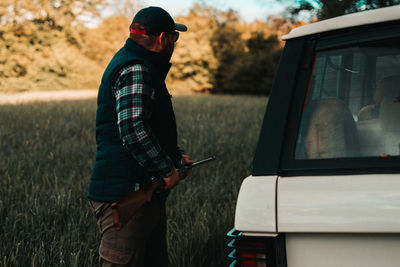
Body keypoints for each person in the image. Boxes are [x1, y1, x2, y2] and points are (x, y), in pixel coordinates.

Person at [87, 6, 193, 267]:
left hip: (141, 191)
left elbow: (148, 124)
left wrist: (175, 156)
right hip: (127, 195)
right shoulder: (137, 69)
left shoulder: (136, 64)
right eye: (174, 37)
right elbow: (133, 130)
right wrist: (167, 169)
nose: (174, 43)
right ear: (161, 39)